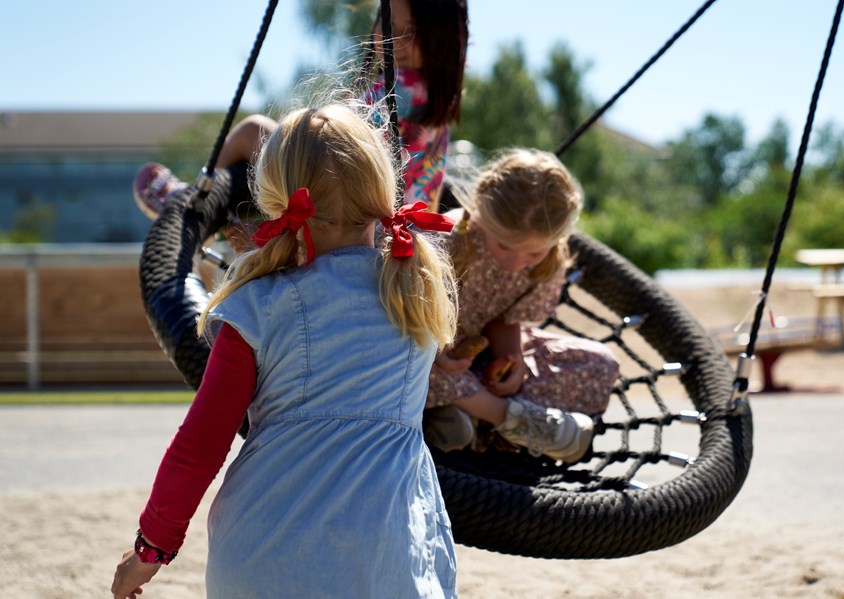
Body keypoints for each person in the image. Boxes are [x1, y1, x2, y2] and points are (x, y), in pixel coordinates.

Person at [111, 103, 460, 598]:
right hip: (385, 563)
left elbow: (200, 444)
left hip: (262, 559)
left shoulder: (259, 304)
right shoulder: (417, 296)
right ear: (384, 188)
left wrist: (151, 549)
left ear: (276, 200)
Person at [132, 0, 468, 220]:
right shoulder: (440, 101)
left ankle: (189, 203)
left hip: (348, 208)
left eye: (412, 33)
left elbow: (337, 132)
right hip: (397, 225)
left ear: (442, 41)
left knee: (252, 131)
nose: (395, 40)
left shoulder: (401, 88)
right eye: (388, 24)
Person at [423, 148, 620, 464]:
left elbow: (505, 320)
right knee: (411, 364)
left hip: (474, 362)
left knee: (600, 365)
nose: (515, 262)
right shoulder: (444, 239)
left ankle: (463, 417)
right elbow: (406, 315)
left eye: (533, 254)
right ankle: (505, 420)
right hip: (427, 346)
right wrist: (438, 352)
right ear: (480, 213)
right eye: (503, 246)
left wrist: (509, 362)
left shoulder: (549, 265)